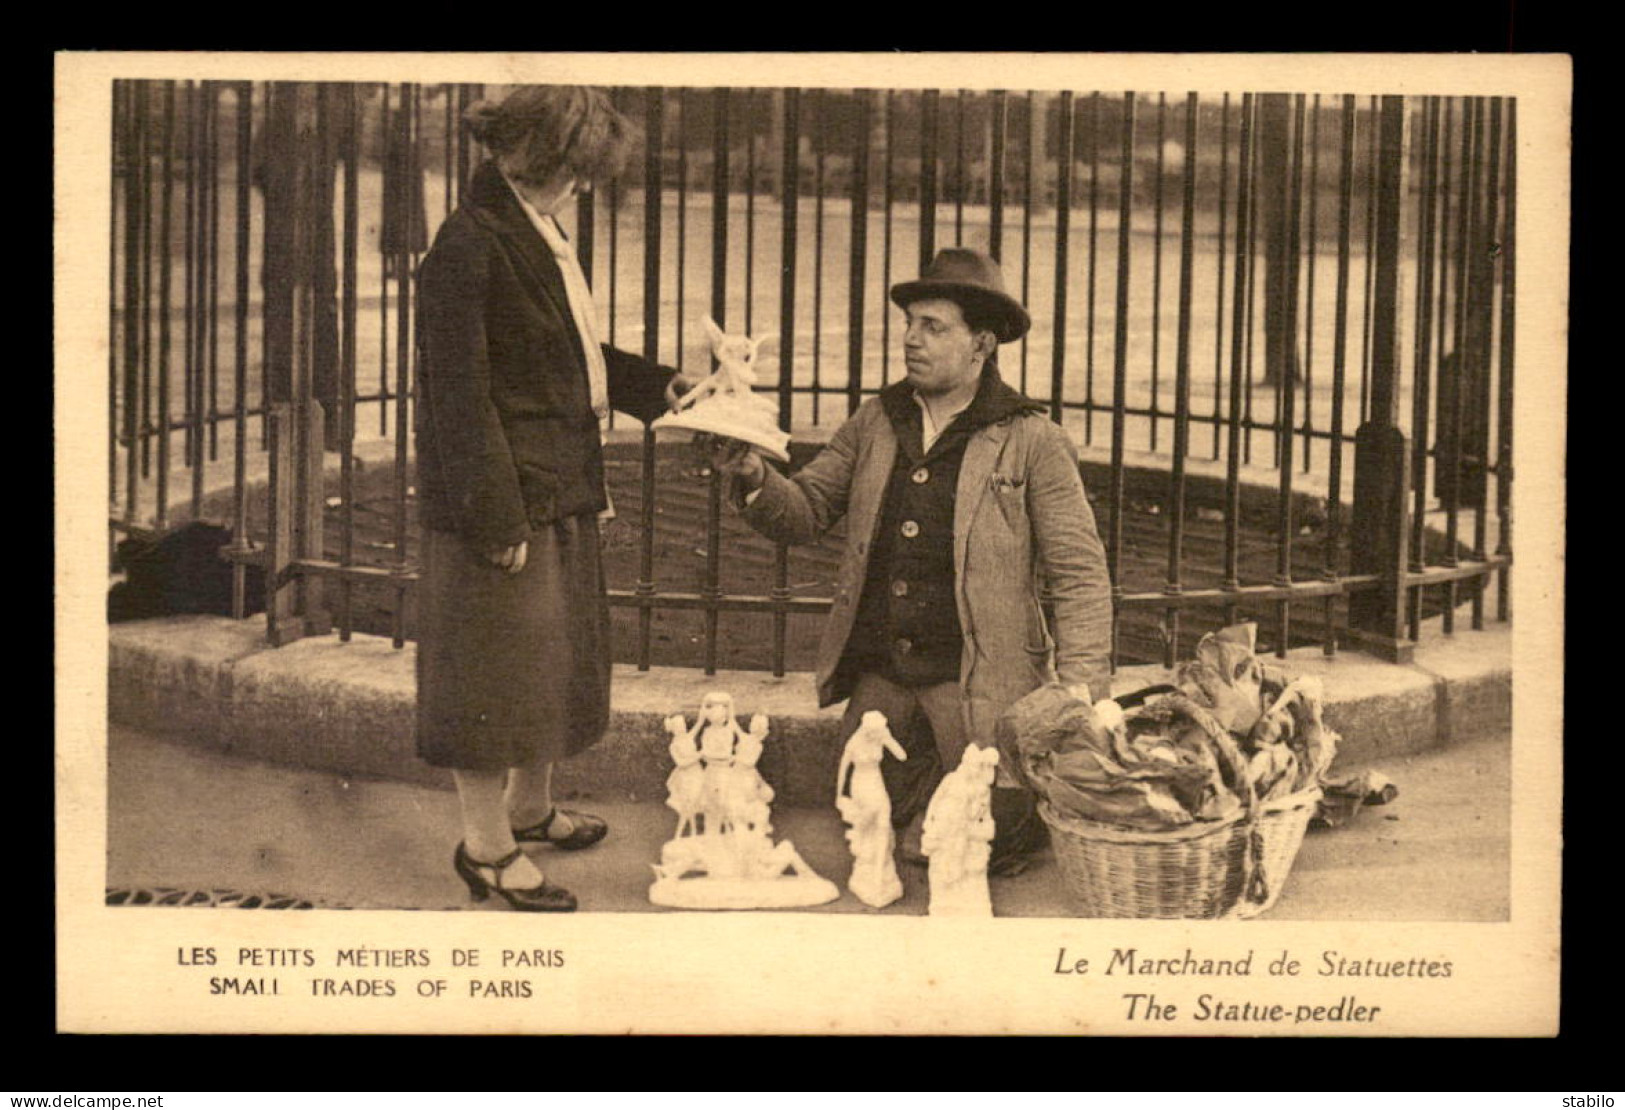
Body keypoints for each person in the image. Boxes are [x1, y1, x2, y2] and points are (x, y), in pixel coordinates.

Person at [715, 247, 1113, 876]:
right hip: (889, 671)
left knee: (972, 837)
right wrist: (755, 476)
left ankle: (984, 789)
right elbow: (808, 509)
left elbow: (1079, 574)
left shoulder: (1031, 438)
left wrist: (1080, 693)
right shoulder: (879, 420)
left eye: (934, 327)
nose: (911, 340)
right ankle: (931, 775)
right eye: (909, 324)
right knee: (859, 803)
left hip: (974, 677)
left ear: (981, 344)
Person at [415, 86, 686, 912]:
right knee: (493, 679)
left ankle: (528, 811)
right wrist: (493, 517)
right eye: (572, 167)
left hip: (556, 484)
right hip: (507, 501)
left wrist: (653, 385)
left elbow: (562, 345)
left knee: (549, 665)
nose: (583, 184)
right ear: (530, 155)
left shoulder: (536, 229)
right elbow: (456, 395)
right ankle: (485, 847)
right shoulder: (468, 242)